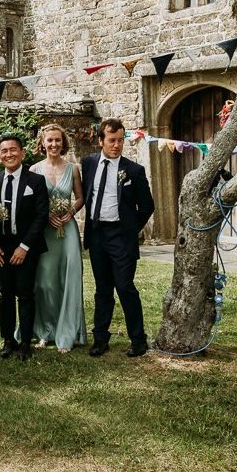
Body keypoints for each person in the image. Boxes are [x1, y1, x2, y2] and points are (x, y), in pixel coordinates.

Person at [81, 118, 154, 358]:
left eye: (121, 140)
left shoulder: (133, 170)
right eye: (112, 141)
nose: (117, 145)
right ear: (101, 140)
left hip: (121, 237)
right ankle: (100, 338)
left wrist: (130, 229)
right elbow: (89, 194)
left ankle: (138, 339)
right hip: (97, 234)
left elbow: (146, 207)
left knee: (124, 287)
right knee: (102, 290)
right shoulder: (89, 163)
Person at [0, 135, 49, 361]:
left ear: (22, 153)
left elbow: (41, 215)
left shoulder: (36, 181)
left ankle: (24, 341)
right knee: (5, 294)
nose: (9, 154)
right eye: (4, 151)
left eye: (13, 150)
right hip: (1, 245)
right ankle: (7, 340)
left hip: (26, 245)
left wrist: (24, 247)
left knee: (25, 293)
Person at [29, 124, 87, 353]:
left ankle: (68, 332)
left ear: (63, 143)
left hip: (68, 230)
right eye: (49, 140)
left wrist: (69, 213)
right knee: (44, 282)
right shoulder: (34, 169)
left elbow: (80, 198)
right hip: (45, 231)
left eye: (58, 140)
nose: (54, 144)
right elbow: (32, 203)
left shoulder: (73, 168)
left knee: (70, 279)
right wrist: (47, 216)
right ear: (42, 143)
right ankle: (45, 330)